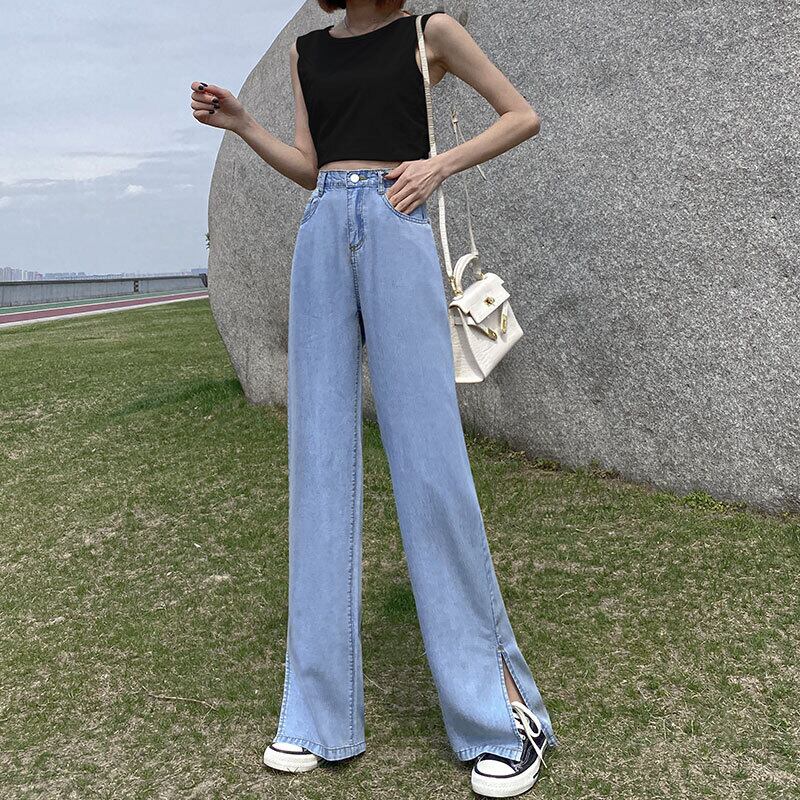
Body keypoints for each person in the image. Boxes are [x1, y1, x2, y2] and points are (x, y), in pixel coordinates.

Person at [189, 2, 558, 796]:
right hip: (322, 230)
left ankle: (501, 716)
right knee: (318, 466)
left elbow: (520, 116)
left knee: (430, 467)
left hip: (397, 227)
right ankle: (316, 714)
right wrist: (243, 125)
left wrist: (438, 165)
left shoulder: (431, 32)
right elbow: (309, 164)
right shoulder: (308, 51)